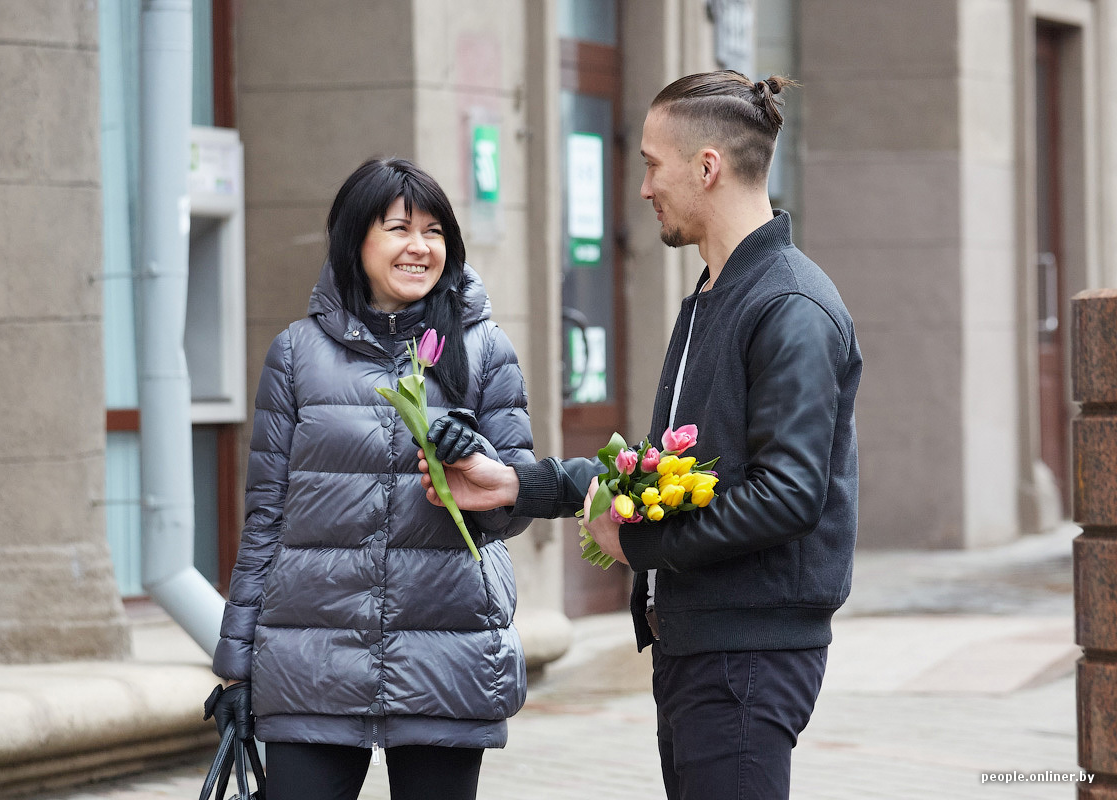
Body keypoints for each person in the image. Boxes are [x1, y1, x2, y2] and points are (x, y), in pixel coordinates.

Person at [421, 71, 863, 800]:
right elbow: (652, 474)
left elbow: (789, 495)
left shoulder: (789, 305)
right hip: (698, 645)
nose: (644, 188)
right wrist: (520, 483)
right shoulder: (716, 294)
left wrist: (641, 545)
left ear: (708, 167)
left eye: (653, 164)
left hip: (746, 655)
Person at [208, 157, 536, 800]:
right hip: (312, 656)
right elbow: (267, 517)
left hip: (446, 649)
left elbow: (516, 506)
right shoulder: (296, 355)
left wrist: (475, 465)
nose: (420, 247)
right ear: (354, 239)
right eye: (398, 229)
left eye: (435, 231)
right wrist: (235, 667)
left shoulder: (484, 349)